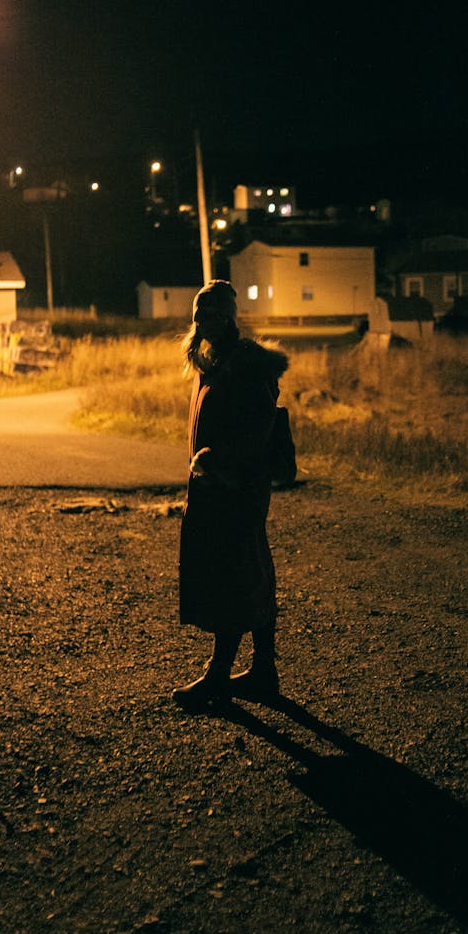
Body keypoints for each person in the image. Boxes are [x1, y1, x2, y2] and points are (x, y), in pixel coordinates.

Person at [173, 279, 289, 709]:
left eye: (217, 312)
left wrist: (218, 463)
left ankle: (219, 676)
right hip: (220, 487)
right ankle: (263, 671)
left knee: (234, 575)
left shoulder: (244, 365)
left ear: (230, 316)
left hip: (236, 487)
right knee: (251, 572)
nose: (208, 320)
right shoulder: (215, 364)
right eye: (202, 313)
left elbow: (258, 428)